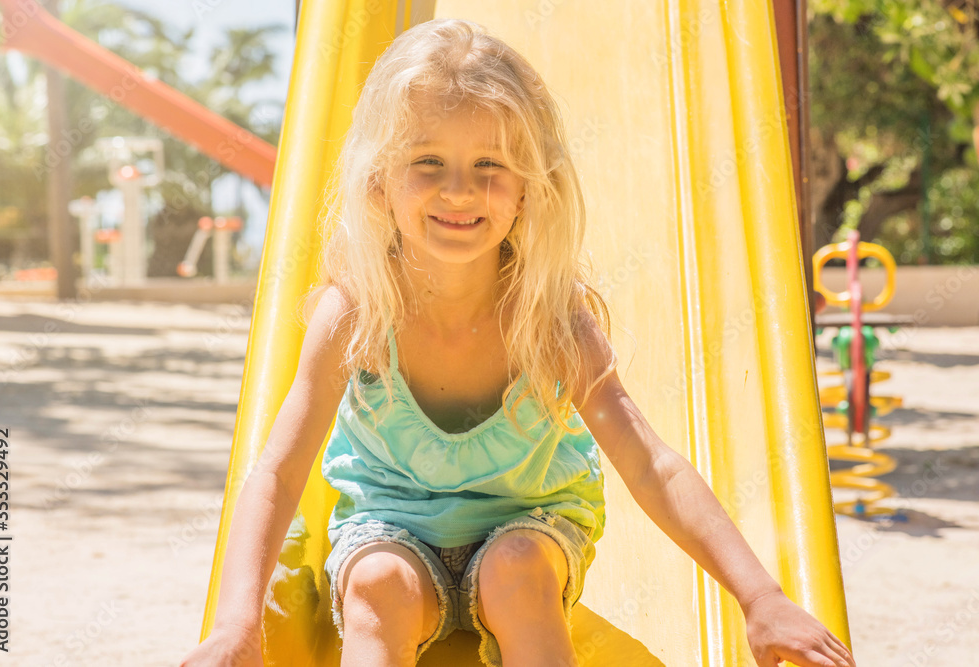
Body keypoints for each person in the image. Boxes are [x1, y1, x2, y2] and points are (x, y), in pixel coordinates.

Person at [181, 18, 856, 667]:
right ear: (379, 179)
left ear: (530, 189)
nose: (460, 189)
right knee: (376, 585)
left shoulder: (546, 317)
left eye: (489, 164)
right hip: (390, 531)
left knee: (517, 570)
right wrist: (236, 621)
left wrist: (760, 597)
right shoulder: (353, 315)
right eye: (428, 160)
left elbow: (651, 461)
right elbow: (278, 469)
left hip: (529, 525)